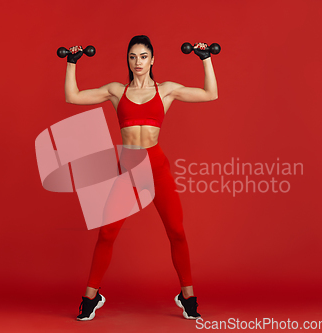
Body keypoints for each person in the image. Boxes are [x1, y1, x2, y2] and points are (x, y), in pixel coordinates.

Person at [64, 35, 218, 321]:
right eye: (133, 57)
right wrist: (72, 63)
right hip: (128, 170)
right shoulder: (116, 91)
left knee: (176, 231)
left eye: (143, 56)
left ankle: (188, 297)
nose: (138, 62)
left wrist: (205, 58)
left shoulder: (166, 91)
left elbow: (211, 93)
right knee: (107, 233)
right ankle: (90, 297)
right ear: (128, 60)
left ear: (152, 60)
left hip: (156, 167)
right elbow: (72, 97)